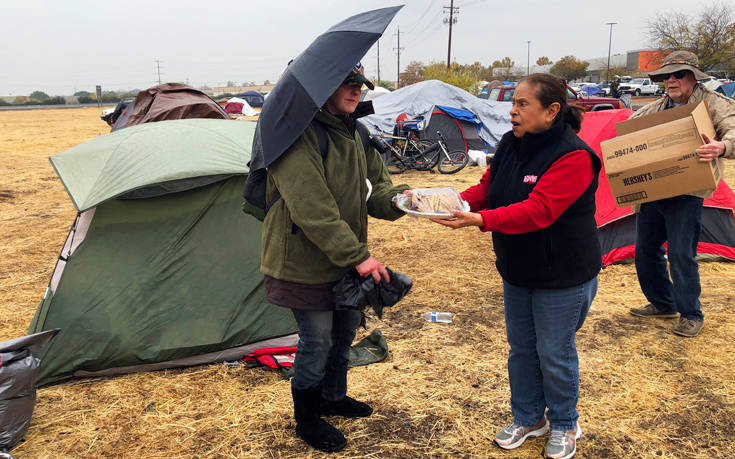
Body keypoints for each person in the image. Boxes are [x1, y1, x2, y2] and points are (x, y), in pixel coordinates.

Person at [428, 73, 601, 459]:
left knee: (553, 352)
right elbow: (488, 188)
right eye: (514, 102)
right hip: (518, 268)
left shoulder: (574, 156)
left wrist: (481, 221)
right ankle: (528, 417)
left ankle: (564, 423)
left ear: (551, 111)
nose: (513, 110)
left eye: (522, 103)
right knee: (522, 349)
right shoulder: (510, 143)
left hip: (563, 273)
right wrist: (451, 202)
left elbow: (539, 211)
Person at [260, 63, 409, 453]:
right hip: (302, 261)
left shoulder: (357, 132)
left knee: (344, 333)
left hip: (345, 258)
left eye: (360, 84)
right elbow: (313, 209)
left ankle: (333, 397)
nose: (357, 90)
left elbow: (377, 193)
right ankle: (308, 419)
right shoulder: (294, 136)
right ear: (320, 86)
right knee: (317, 340)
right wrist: (359, 256)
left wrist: (403, 200)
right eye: (347, 83)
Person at [627, 50, 735, 338]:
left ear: (693, 78)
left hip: (688, 190)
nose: (671, 80)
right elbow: (629, 129)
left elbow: (733, 129)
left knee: (681, 254)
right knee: (646, 251)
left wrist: (721, 147)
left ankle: (691, 314)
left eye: (679, 74)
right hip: (653, 189)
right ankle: (663, 303)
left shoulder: (714, 103)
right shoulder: (657, 106)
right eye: (667, 76)